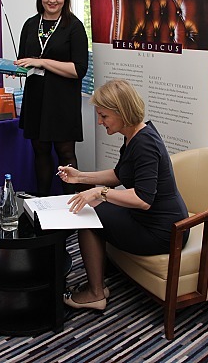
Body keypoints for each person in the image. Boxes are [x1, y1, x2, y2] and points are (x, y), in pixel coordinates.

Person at [57, 79, 189, 311]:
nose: (100, 122)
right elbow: (120, 174)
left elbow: (143, 200)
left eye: (104, 116)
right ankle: (99, 279)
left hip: (163, 230)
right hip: (149, 219)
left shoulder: (145, 144)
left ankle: (96, 293)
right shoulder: (135, 135)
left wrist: (100, 192)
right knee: (93, 208)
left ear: (122, 112)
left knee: (89, 217)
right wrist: (80, 177)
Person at [15, 0, 88, 196]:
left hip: (62, 101)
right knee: (40, 152)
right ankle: (42, 202)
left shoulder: (74, 27)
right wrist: (14, 68)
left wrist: (43, 62)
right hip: (36, 98)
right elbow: (23, 61)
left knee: (66, 154)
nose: (52, 0)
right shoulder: (30, 24)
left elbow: (78, 70)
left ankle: (71, 204)